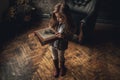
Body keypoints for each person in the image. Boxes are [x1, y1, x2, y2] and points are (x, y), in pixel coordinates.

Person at [48, 2, 74, 77]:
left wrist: (64, 36)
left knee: (61, 56)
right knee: (54, 56)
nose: (58, 19)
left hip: (61, 45)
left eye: (61, 17)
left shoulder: (69, 25)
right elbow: (50, 26)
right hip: (52, 43)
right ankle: (56, 68)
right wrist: (51, 28)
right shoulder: (55, 20)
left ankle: (62, 67)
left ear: (67, 16)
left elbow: (71, 36)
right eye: (57, 17)